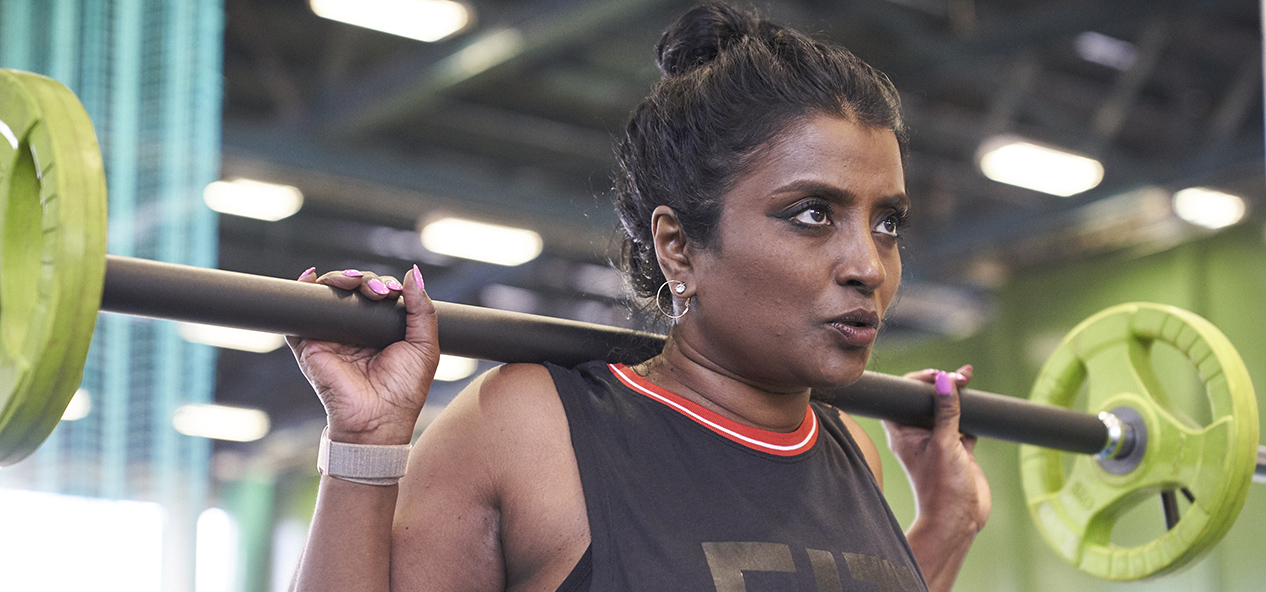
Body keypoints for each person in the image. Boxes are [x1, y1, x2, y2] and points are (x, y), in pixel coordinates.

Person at [287, 3, 990, 591]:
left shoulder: (848, 450)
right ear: (679, 246)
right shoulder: (533, 428)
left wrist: (946, 523)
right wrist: (365, 444)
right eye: (813, 214)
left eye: (887, 222)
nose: (868, 263)